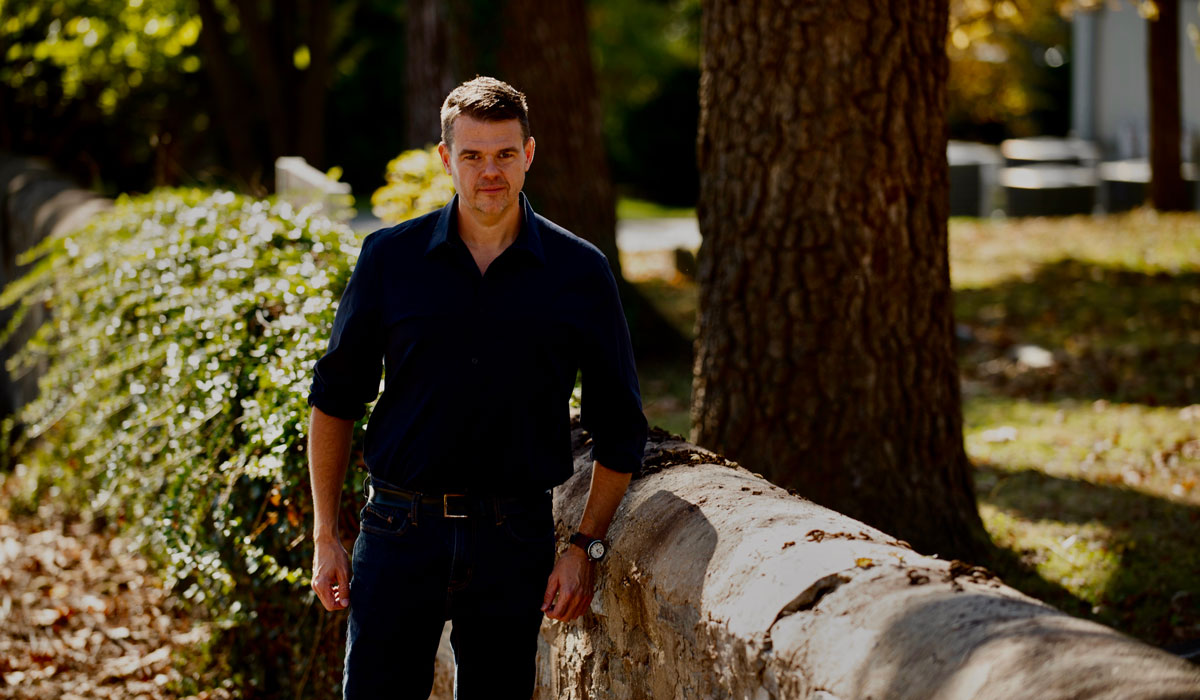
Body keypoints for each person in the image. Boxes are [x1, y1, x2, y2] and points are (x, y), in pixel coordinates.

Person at [306, 76, 648, 700]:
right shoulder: (390, 259)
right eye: (472, 155)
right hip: (397, 529)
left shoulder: (580, 273)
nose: (489, 171)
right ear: (446, 160)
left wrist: (585, 549)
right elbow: (334, 398)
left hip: (512, 538)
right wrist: (325, 534)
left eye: (504, 154)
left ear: (529, 154)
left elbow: (620, 427)